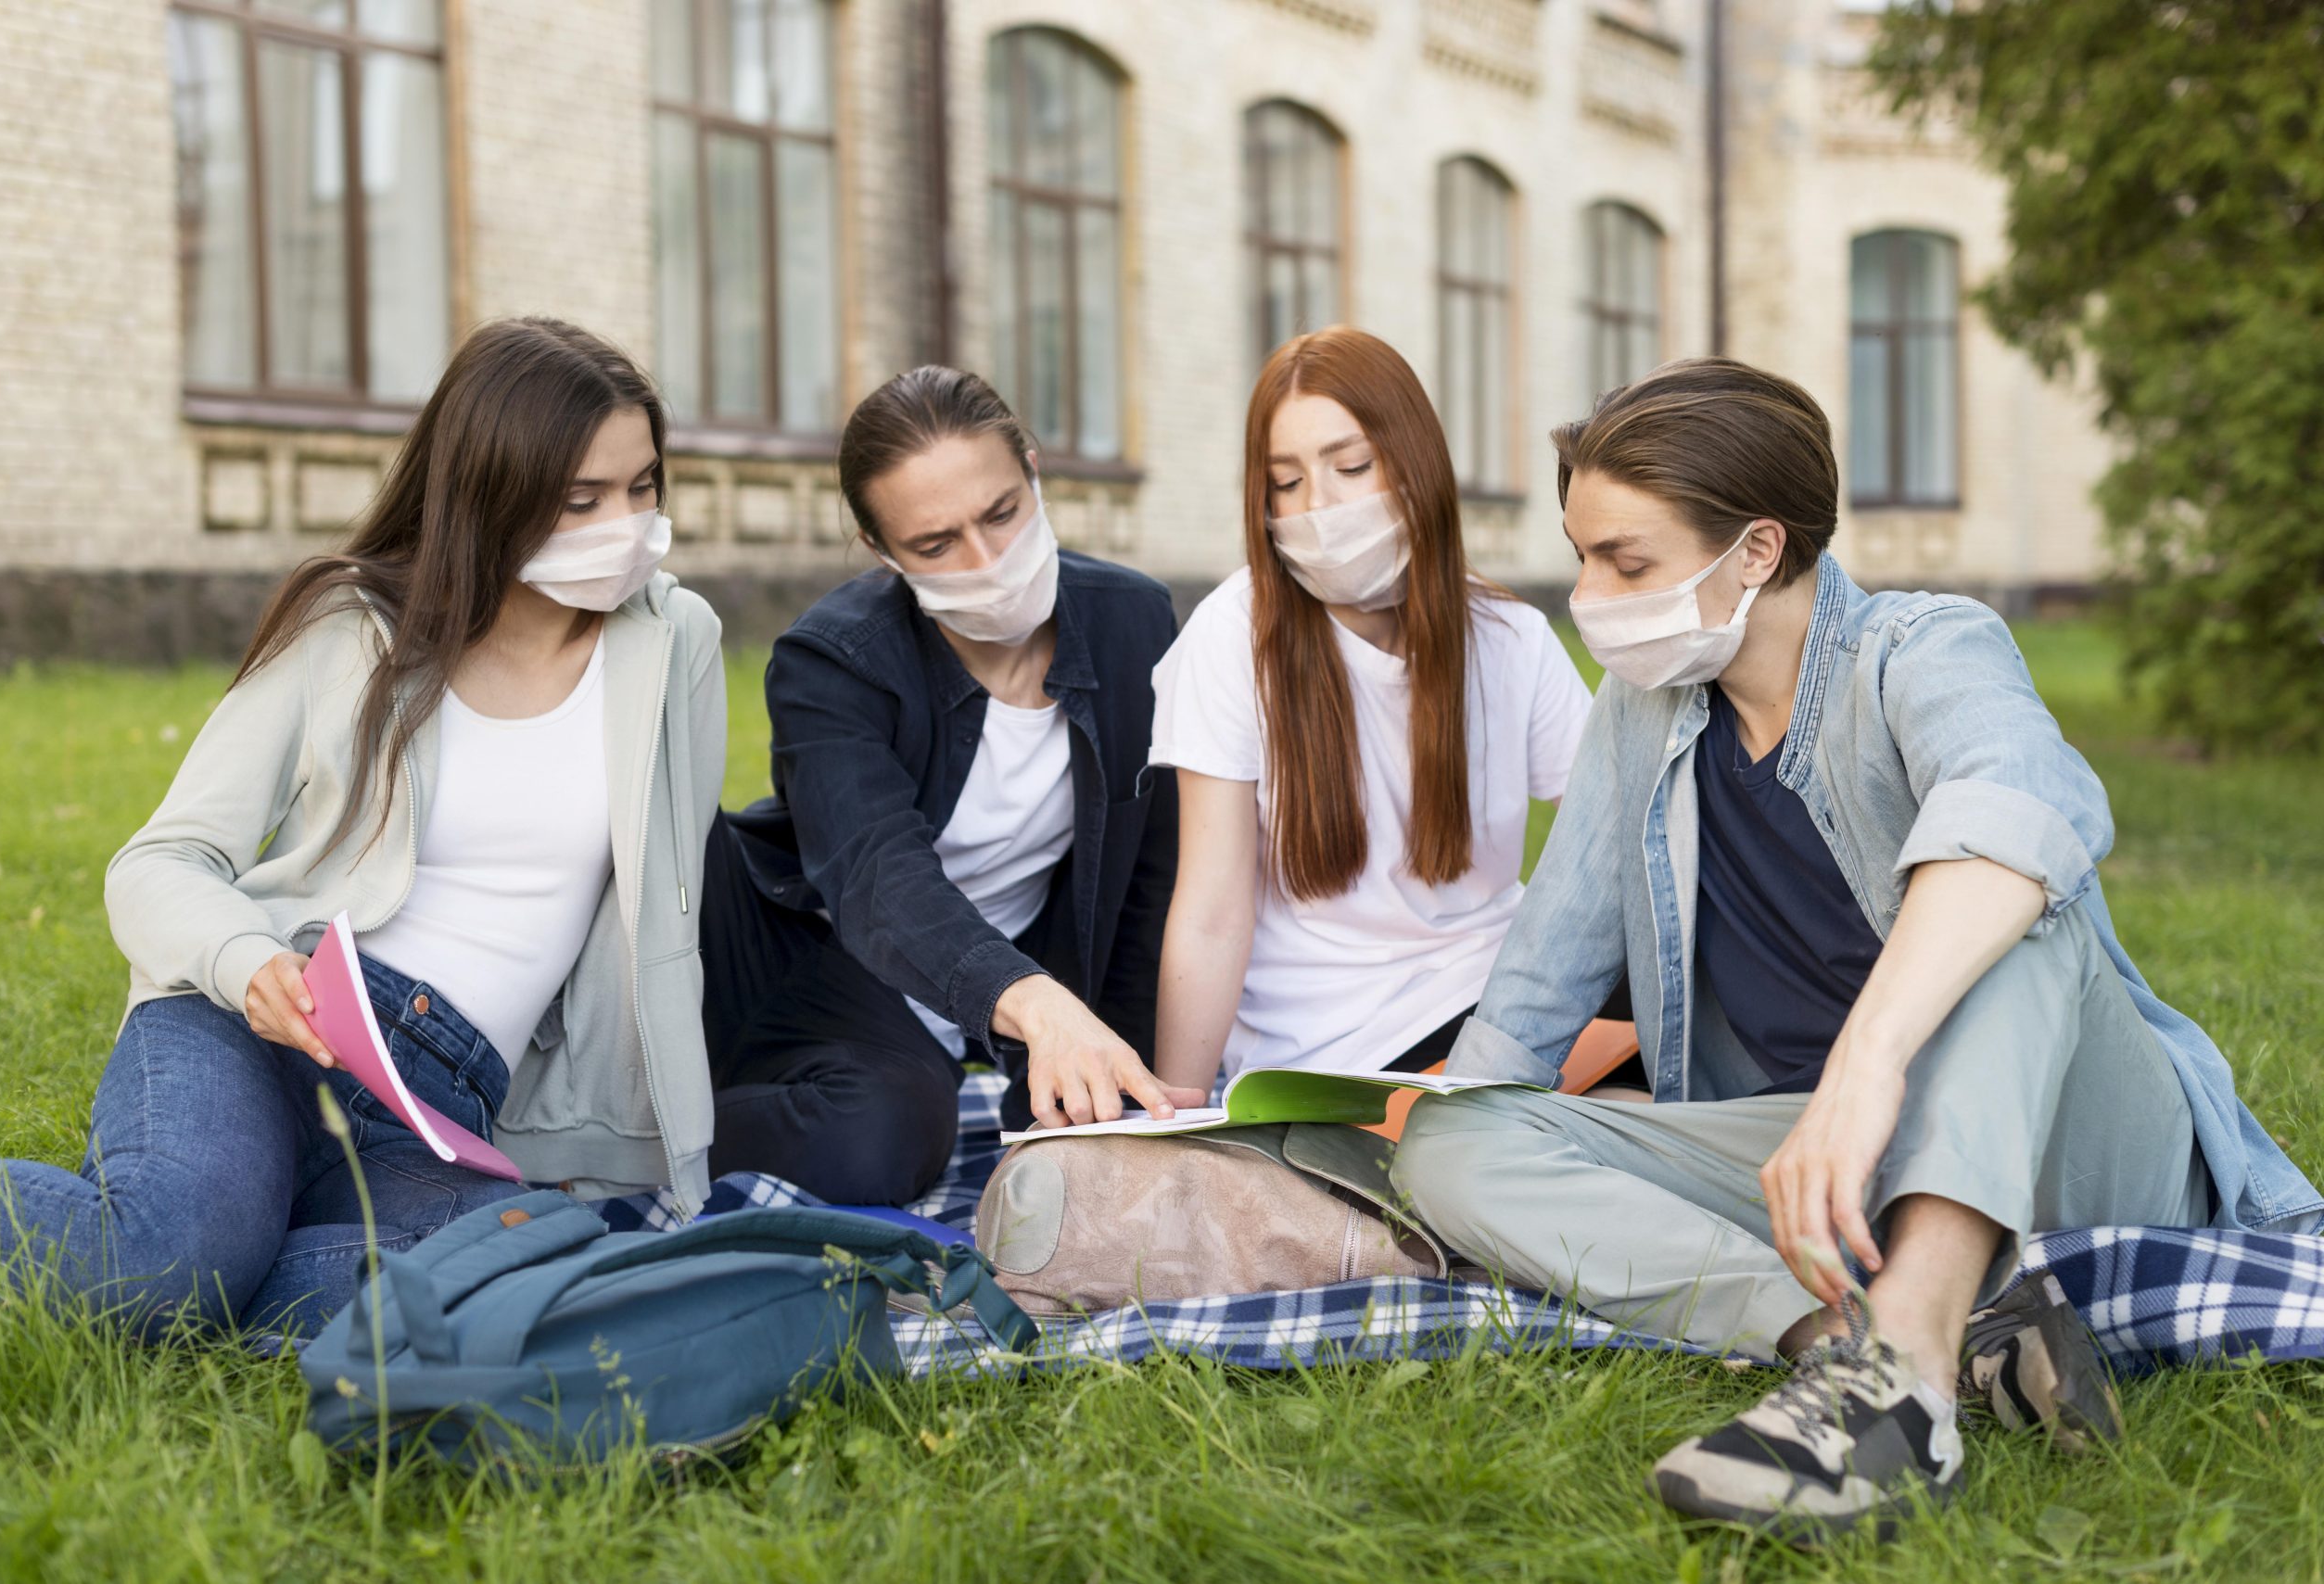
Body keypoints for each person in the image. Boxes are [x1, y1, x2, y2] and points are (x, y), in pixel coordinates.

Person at [1391, 358, 2322, 1538]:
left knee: (2013, 904)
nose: (1587, 593)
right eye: (1580, 555)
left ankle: (1900, 1408)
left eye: (1624, 561)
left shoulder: (1924, 646)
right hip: (1826, 1168)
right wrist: (1419, 1135)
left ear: (1757, 550)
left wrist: (1864, 1068)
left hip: (2071, 1140)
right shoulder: (1639, 713)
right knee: (1452, 1143)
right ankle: (1859, 1336)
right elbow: (1540, 980)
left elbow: (2024, 811)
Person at [0, 317, 728, 1337]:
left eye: (642, 487)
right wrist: (242, 962)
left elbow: (659, 918)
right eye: (582, 500)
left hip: (443, 1104)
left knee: (534, 1266)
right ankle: (181, 1247)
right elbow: (162, 860)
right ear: (490, 492)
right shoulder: (351, 628)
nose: (624, 526)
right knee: (162, 1262)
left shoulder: (678, 647)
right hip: (264, 1017)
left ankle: (213, 1254)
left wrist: (626, 1144)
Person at [699, 366, 1197, 1205]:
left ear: (1033, 469)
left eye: (1002, 512)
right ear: (881, 551)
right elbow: (876, 879)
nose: (987, 560)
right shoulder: (832, 660)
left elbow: (1146, 881)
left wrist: (1129, 1088)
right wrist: (1034, 1005)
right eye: (937, 544)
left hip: (967, 1009)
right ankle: (636, 1126)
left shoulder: (1133, 622)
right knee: (880, 1140)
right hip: (810, 954)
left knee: (897, 1127)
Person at [1149, 327, 1594, 1089]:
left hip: (1506, 1009)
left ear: (1414, 461)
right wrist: (1180, 1110)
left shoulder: (1512, 637)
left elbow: (1603, 848)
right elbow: (1211, 911)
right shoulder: (1231, 635)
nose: (1317, 507)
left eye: (1350, 466)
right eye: (1285, 483)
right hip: (1338, 1047)